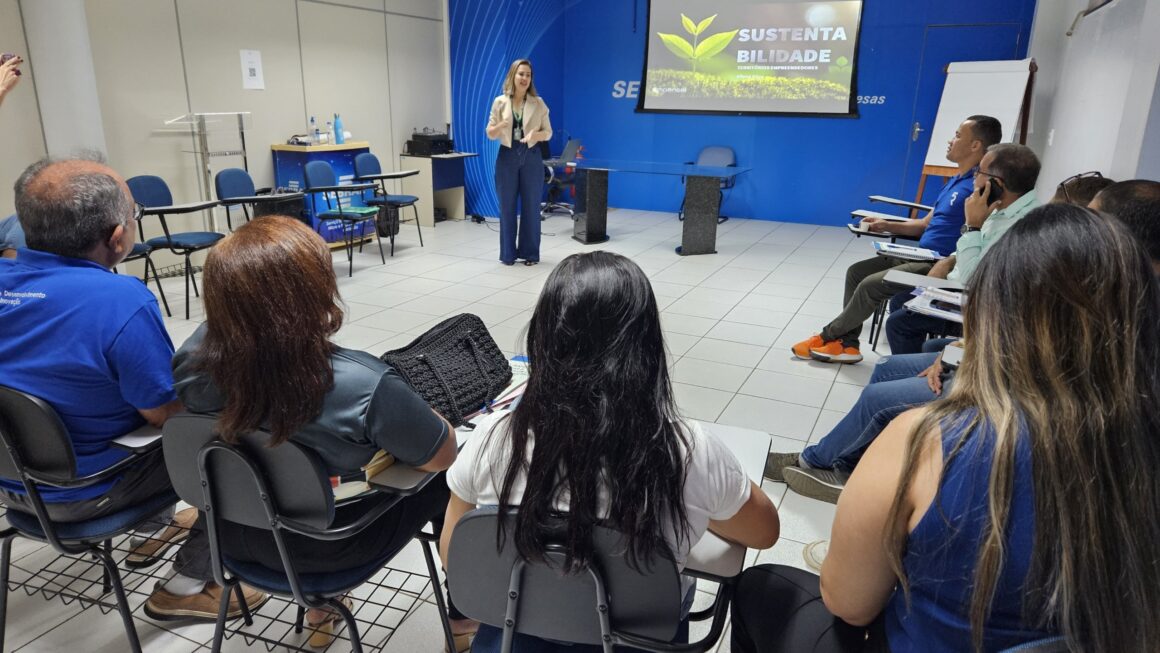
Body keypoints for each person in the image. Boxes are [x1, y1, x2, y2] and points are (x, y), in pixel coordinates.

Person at [734, 204, 1160, 652]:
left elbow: (848, 603)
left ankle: (823, 464)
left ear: (995, 314)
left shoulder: (926, 439)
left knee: (761, 587)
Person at [144, 216, 462, 646]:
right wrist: (434, 418)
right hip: (330, 550)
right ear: (314, 292)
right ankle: (462, 620)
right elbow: (441, 455)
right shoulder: (363, 384)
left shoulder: (191, 363)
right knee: (452, 479)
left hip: (234, 539)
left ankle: (319, 613)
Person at [440, 251, 780, 652]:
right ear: (646, 346)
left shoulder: (495, 438)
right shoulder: (689, 452)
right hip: (641, 640)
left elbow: (453, 553)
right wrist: (702, 509)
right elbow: (764, 532)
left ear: (544, 340)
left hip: (518, 633)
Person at [771, 175, 1160, 504]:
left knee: (881, 389)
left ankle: (818, 463)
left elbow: (1049, 365)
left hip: (1015, 397)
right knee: (891, 366)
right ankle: (848, 462)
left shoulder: (1126, 306)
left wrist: (969, 361)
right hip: (995, 360)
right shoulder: (1105, 282)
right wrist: (963, 350)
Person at [0, 156, 182, 524]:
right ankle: (190, 574)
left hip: (10, 485)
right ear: (117, 238)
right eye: (135, 214)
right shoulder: (119, 301)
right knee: (229, 436)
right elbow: (164, 414)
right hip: (90, 492)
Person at [792, 115, 1001, 364]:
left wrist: (949, 261)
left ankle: (828, 335)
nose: (950, 140)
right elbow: (925, 224)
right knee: (856, 272)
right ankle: (847, 345)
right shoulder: (955, 182)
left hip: (938, 265)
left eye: (957, 135)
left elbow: (981, 236)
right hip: (921, 255)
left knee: (871, 285)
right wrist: (885, 225)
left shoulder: (979, 189)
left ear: (975, 145)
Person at [883, 143, 1041, 355]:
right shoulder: (1000, 205)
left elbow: (972, 279)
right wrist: (948, 260)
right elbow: (977, 248)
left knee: (900, 323)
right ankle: (918, 366)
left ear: (997, 183)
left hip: (981, 305)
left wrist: (972, 225)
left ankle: (914, 376)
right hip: (961, 286)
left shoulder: (1022, 225)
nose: (975, 178)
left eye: (980, 172)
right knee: (901, 301)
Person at [486, 58, 552, 266]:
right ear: (513, 76)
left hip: (531, 156)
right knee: (507, 207)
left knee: (532, 207)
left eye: (528, 75)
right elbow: (490, 132)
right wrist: (501, 125)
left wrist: (535, 135)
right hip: (507, 156)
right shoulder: (499, 102)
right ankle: (508, 254)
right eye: (521, 74)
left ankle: (530, 254)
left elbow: (548, 133)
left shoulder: (538, 103)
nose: (524, 78)